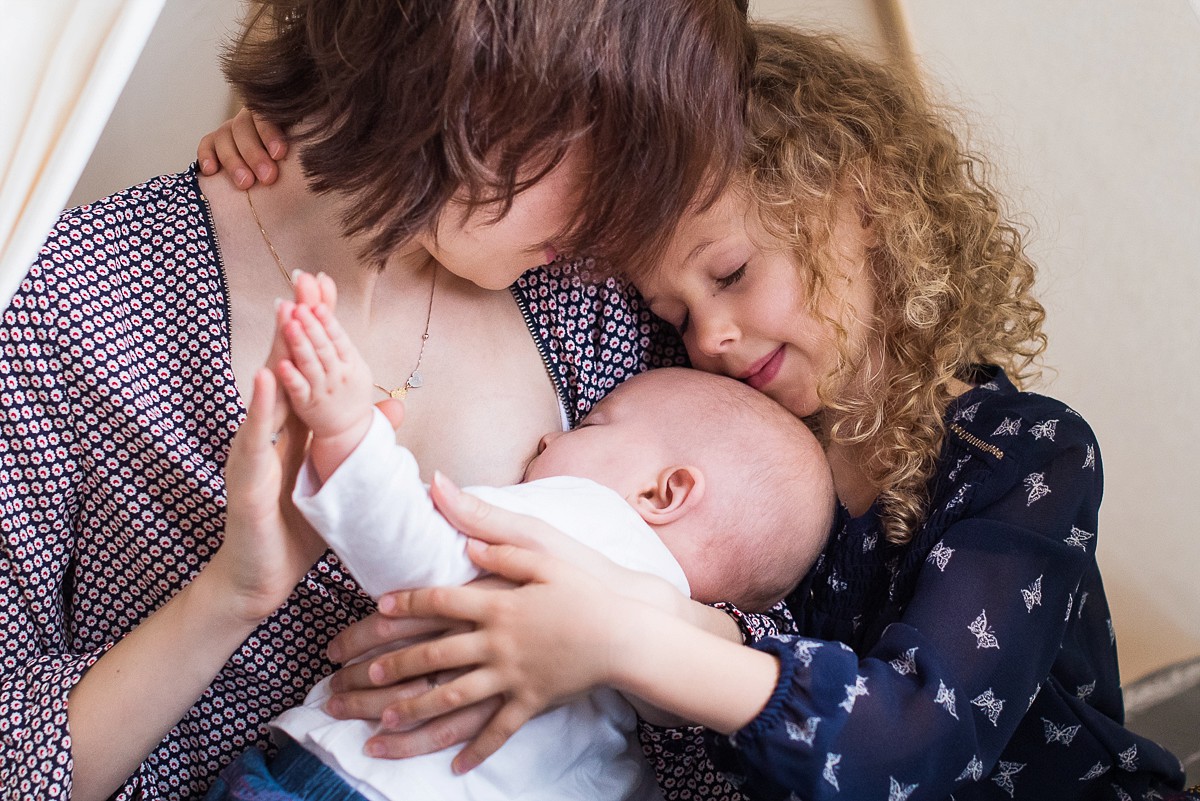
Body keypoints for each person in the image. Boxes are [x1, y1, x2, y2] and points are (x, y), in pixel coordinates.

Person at [313, 24, 1195, 801]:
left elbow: (914, 743)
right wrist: (291, 144)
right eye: (675, 314)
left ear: (867, 201)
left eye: (731, 273)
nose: (713, 336)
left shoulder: (1025, 452)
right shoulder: (728, 441)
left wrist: (622, 634)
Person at [0, 1, 756, 798]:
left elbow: (760, 629)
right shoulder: (69, 308)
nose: (621, 216)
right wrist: (231, 596)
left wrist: (627, 633)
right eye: (611, 156)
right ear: (476, 75)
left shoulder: (592, 299)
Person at [204, 273, 834, 801]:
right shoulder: (674, 684)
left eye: (590, 424)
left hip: (348, 781)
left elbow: (420, 556)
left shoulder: (588, 520)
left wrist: (348, 442)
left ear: (662, 494)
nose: (550, 438)